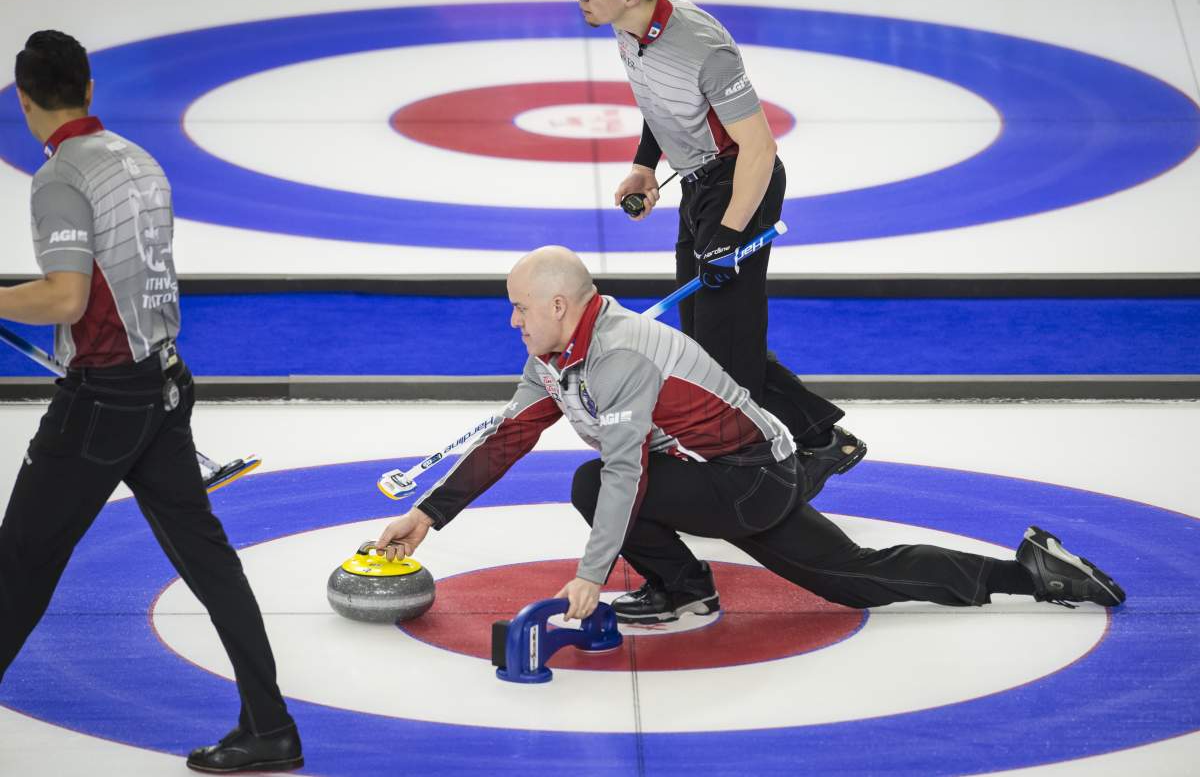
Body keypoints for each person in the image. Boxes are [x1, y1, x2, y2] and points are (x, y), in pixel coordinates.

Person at [375, 246, 1125, 623]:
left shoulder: (623, 355)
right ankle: (1033, 573)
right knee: (852, 575)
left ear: (564, 305)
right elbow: (509, 436)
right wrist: (429, 514)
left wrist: (592, 575)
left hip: (747, 477)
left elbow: (628, 476)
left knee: (596, 479)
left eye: (519, 309)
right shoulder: (553, 354)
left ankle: (686, 588)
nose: (512, 321)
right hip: (725, 474)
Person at [0, 31, 302, 774]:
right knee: (208, 558)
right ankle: (270, 725)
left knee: (20, 562)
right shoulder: (140, 160)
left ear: (25, 101)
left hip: (102, 401)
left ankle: (270, 727)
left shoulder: (61, 176)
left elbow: (67, 296)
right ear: (91, 89)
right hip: (163, 385)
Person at [577, 0, 864, 501]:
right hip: (698, 184)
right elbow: (661, 98)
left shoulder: (702, 45)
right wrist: (646, 164)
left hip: (739, 186)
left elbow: (759, 148)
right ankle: (822, 439)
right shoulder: (627, 27)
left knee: (722, 352)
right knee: (709, 343)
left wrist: (729, 235)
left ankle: (755, 472)